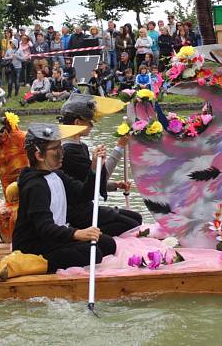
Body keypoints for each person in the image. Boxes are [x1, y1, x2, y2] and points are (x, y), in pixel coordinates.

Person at [10, 123, 115, 274]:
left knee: (107, 243)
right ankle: (32, 264)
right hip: (34, 245)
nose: (62, 153)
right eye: (56, 149)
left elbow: (83, 194)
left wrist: (94, 168)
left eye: (61, 147)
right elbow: (44, 227)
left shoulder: (57, 175)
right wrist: (76, 234)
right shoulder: (35, 185)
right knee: (92, 253)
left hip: (54, 236)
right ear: (39, 155)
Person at [58, 96, 142, 236]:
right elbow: (95, 181)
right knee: (132, 224)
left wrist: (114, 185)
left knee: (136, 217)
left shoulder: (80, 146)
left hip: (85, 205)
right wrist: (119, 148)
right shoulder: (70, 151)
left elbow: (88, 180)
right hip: (77, 212)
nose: (92, 125)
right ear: (77, 122)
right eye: (89, 122)